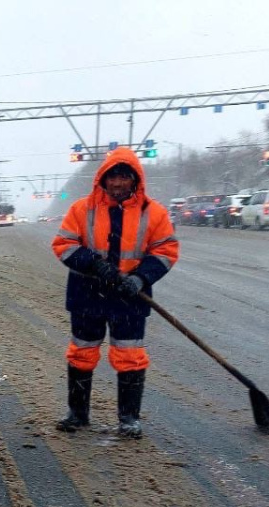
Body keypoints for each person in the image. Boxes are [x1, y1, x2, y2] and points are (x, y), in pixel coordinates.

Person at [50, 147, 179, 438]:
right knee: (82, 352)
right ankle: (78, 414)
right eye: (112, 177)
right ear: (102, 179)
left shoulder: (154, 213)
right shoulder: (82, 210)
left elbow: (166, 251)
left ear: (135, 180)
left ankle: (129, 418)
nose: (118, 183)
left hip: (129, 298)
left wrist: (141, 278)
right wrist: (96, 265)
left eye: (124, 177)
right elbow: (64, 245)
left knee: (130, 355)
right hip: (87, 294)